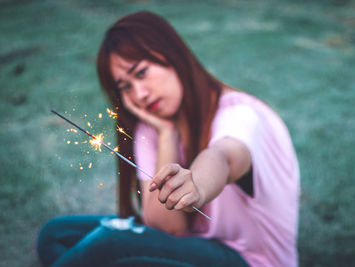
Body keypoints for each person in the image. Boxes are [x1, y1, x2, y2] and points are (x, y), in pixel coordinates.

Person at [37, 11, 300, 267]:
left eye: (141, 73)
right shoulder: (153, 127)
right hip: (192, 244)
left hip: (247, 259)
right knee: (55, 235)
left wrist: (196, 184)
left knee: (110, 244)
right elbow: (165, 225)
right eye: (125, 86)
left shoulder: (241, 115)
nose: (139, 93)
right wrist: (167, 136)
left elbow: (224, 156)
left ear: (173, 57)